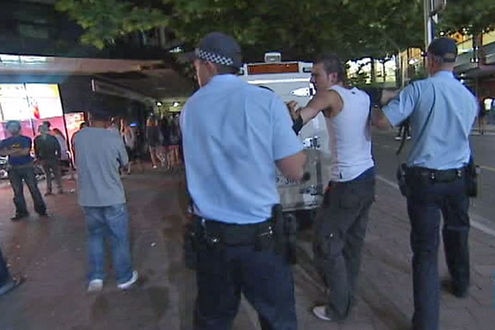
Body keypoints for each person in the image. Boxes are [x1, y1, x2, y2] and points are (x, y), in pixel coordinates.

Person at [181, 32, 306, 330]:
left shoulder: (190, 109)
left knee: (213, 320)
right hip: (259, 242)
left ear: (209, 66)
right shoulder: (264, 101)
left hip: (211, 242)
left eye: (195, 64)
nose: (194, 71)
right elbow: (294, 170)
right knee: (278, 321)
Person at [372, 38, 478, 330]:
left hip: (425, 182)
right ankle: (460, 282)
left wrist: (383, 101)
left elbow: (383, 123)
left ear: (430, 60)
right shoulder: (467, 96)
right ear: (453, 61)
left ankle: (427, 322)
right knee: (458, 232)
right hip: (458, 178)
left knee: (426, 251)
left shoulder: (419, 89)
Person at [288, 53, 375, 322]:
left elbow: (299, 120)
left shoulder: (328, 95)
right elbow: (386, 100)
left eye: (316, 75)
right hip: (367, 177)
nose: (312, 80)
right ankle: (347, 296)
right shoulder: (360, 95)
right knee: (352, 243)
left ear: (333, 77)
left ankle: (338, 306)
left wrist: (292, 113)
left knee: (326, 242)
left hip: (347, 183)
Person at [74, 109, 138, 292]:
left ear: (89, 117)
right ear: (109, 120)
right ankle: (124, 278)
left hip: (88, 197)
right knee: (119, 238)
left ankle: (96, 277)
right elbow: (125, 162)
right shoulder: (113, 138)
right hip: (112, 196)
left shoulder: (78, 137)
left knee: (95, 237)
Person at [0, 120, 47, 220]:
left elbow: (25, 152)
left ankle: (41, 210)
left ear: (19, 128)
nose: (13, 129)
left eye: (14, 126)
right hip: (13, 169)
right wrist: (18, 151)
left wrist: (10, 152)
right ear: (7, 129)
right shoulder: (4, 142)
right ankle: (21, 212)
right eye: (10, 127)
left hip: (27, 167)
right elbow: (2, 153)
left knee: (33, 189)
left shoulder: (26, 139)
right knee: (17, 192)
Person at [34, 124, 63, 195]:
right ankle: (56, 188)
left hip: (49, 157)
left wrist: (38, 158)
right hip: (48, 157)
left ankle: (54, 189)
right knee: (52, 174)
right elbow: (57, 147)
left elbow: (36, 150)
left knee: (51, 174)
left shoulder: (38, 139)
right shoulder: (51, 138)